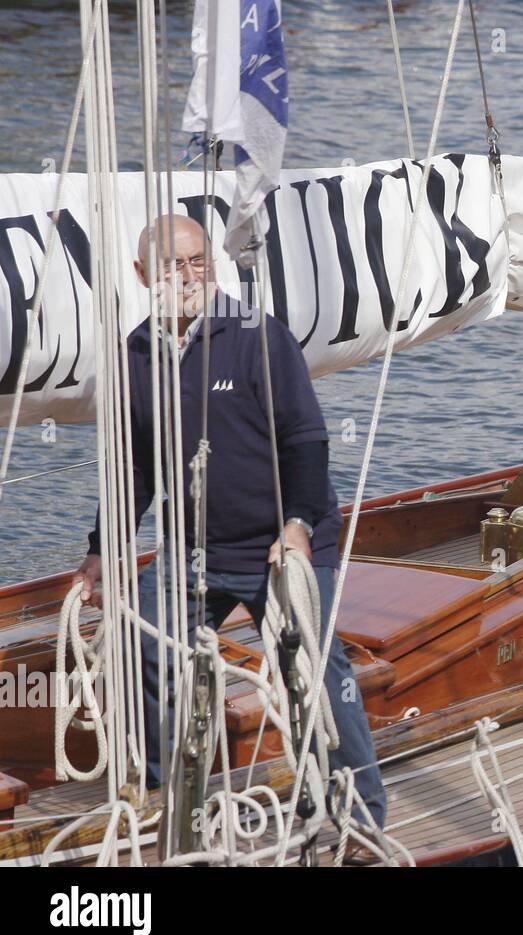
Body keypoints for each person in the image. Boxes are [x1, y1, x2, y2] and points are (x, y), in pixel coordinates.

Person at [73, 214, 387, 851]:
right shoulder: (136, 352)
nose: (187, 276)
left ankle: (359, 819)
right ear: (142, 275)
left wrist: (297, 527)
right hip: (194, 550)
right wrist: (102, 550)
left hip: (283, 543)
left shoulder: (258, 337)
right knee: (148, 654)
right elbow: (133, 466)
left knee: (316, 675)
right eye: (171, 265)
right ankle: (169, 806)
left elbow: (306, 439)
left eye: (197, 262)